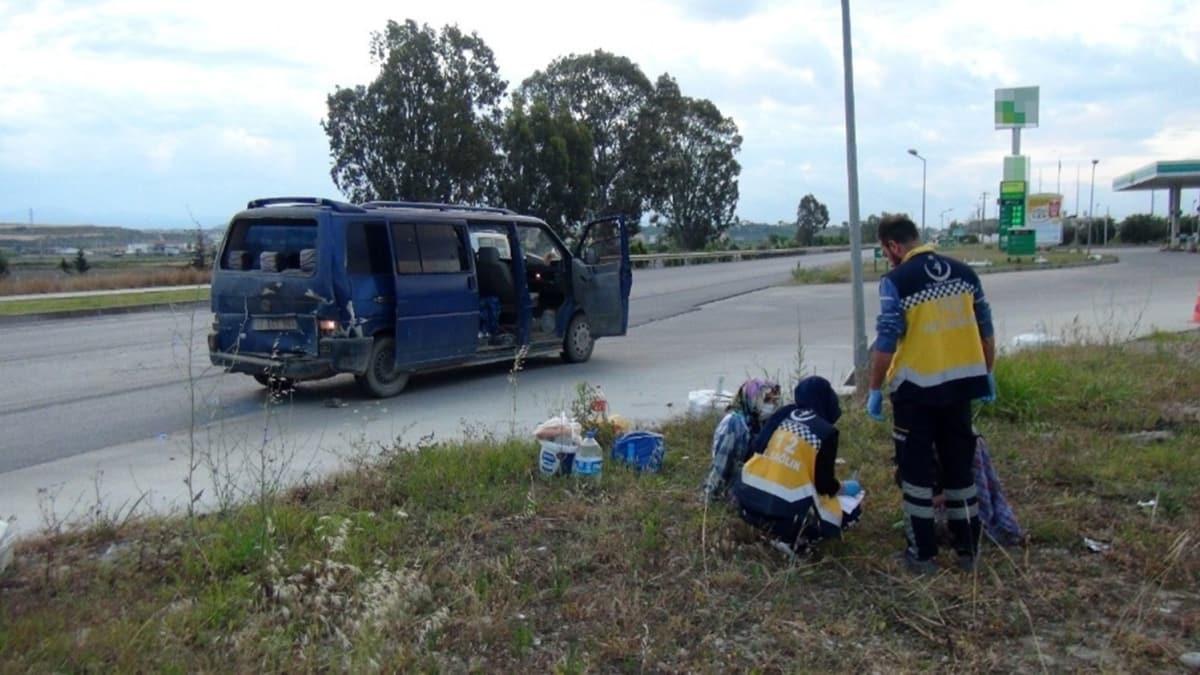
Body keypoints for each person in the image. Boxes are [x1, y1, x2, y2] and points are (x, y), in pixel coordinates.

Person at [866, 215, 996, 574]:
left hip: (916, 393)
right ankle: (969, 550)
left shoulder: (896, 281)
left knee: (916, 475)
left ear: (893, 246)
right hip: (962, 388)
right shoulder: (965, 273)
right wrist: (987, 372)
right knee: (959, 470)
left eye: (884, 249)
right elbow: (986, 326)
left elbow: (887, 341)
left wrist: (875, 389)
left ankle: (921, 555)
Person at [732, 376, 862, 554]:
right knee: (851, 511)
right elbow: (824, 485)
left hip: (746, 502)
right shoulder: (825, 432)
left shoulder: (782, 413)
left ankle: (769, 532)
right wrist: (841, 488)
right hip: (785, 514)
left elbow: (756, 448)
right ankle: (796, 540)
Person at [702, 379, 781, 502]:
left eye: (774, 401)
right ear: (752, 399)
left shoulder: (763, 423)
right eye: (766, 400)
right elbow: (720, 464)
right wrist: (709, 495)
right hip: (733, 487)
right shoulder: (734, 423)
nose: (771, 405)